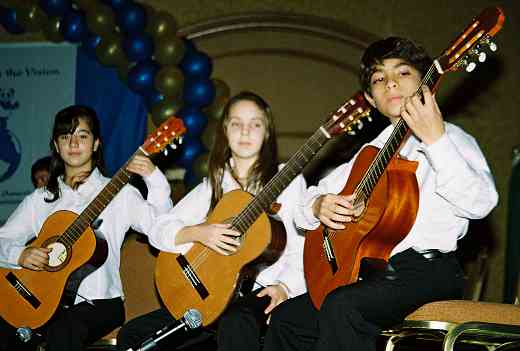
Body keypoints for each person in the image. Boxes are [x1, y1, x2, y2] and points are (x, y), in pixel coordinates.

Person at [262, 37, 499, 351]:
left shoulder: (453, 138)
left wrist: (436, 141)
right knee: (287, 319)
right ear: (370, 100)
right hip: (371, 273)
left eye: (403, 73)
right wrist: (319, 205)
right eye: (379, 79)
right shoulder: (369, 152)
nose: (390, 83)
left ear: (425, 81)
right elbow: (306, 204)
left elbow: (482, 203)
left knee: (343, 306)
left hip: (427, 270)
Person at [116, 91, 307, 351]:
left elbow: (301, 250)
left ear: (267, 132)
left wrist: (285, 287)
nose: (245, 131)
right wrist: (199, 233)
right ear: (226, 131)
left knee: (234, 323)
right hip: (206, 295)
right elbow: (159, 229)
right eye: (236, 123)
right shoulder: (213, 184)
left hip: (258, 294)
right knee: (134, 334)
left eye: (255, 124)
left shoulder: (288, 181)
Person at [0, 105, 173, 351]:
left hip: (99, 301)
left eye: (82, 136)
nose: (73, 143)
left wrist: (154, 179)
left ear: (96, 144)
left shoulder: (120, 194)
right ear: (56, 146)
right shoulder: (39, 199)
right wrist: (21, 254)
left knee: (63, 330)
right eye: (65, 137)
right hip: (40, 298)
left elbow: (162, 233)